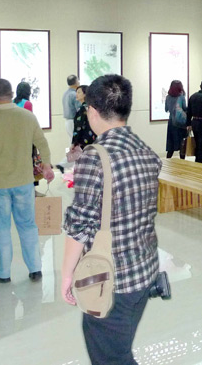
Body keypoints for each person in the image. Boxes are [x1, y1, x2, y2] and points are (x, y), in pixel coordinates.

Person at [61, 74, 161, 364]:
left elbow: (79, 226)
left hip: (111, 280)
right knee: (119, 350)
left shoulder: (95, 157)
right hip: (144, 272)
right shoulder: (146, 152)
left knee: (110, 357)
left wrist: (67, 275)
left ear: (92, 111)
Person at [0, 78, 54, 283]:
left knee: (0, 229)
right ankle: (35, 268)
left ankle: (3, 273)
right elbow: (42, 143)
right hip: (24, 181)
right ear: (11, 94)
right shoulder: (27, 117)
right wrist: (46, 166)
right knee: (28, 225)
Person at [56, 75, 81, 172]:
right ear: (76, 82)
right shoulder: (74, 94)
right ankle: (64, 164)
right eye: (78, 81)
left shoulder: (65, 94)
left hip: (68, 122)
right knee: (76, 145)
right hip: (74, 122)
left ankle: (69, 165)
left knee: (73, 144)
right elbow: (79, 110)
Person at [186, 79, 202, 164]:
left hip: (194, 122)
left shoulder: (193, 96)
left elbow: (188, 112)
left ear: (200, 86)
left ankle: (197, 162)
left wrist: (188, 124)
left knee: (196, 144)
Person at [164, 80, 187, 159]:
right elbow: (184, 108)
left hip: (171, 122)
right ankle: (182, 163)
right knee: (182, 145)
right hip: (180, 123)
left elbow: (166, 109)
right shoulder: (181, 97)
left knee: (171, 145)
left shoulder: (168, 97)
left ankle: (167, 161)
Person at [70, 85, 96, 153]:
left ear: (85, 94)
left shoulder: (82, 109)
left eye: (79, 92)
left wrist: (74, 143)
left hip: (83, 141)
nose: (76, 94)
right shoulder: (92, 107)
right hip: (93, 139)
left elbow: (78, 127)